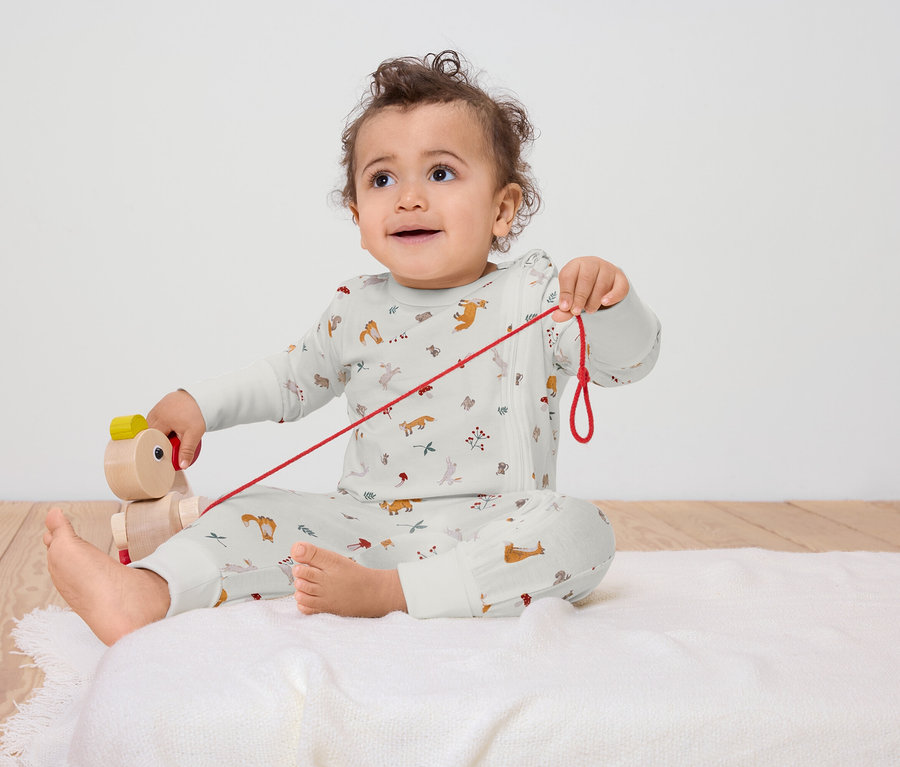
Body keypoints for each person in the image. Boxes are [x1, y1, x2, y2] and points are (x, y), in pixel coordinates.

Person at [44, 50, 661, 645]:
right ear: (358, 214)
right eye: (382, 178)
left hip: (492, 527)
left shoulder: (535, 293)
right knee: (246, 510)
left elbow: (625, 364)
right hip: (362, 525)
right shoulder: (355, 309)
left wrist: (608, 303)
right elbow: (288, 379)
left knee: (582, 529)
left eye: (441, 173)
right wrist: (198, 404)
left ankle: (392, 594)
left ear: (503, 209)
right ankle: (145, 592)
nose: (409, 197)